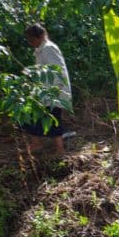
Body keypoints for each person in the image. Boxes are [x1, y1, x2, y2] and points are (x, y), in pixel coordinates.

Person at [21, 23, 72, 156]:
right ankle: (37, 144)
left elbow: (57, 70)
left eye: (31, 39)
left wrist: (54, 91)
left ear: (39, 37)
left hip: (53, 91)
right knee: (34, 116)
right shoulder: (41, 49)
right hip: (44, 91)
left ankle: (60, 150)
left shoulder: (49, 48)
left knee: (53, 118)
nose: (30, 42)